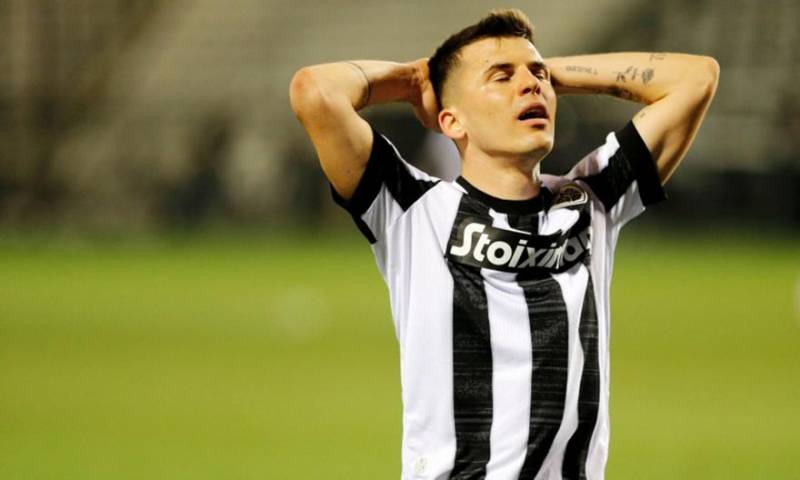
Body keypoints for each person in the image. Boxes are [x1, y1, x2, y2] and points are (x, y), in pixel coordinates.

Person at [289, 8, 718, 480]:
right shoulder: (413, 210)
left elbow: (696, 78)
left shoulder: (590, 200)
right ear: (452, 121)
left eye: (537, 75)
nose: (530, 85)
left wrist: (550, 75)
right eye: (501, 76)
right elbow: (315, 91)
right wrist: (414, 80)